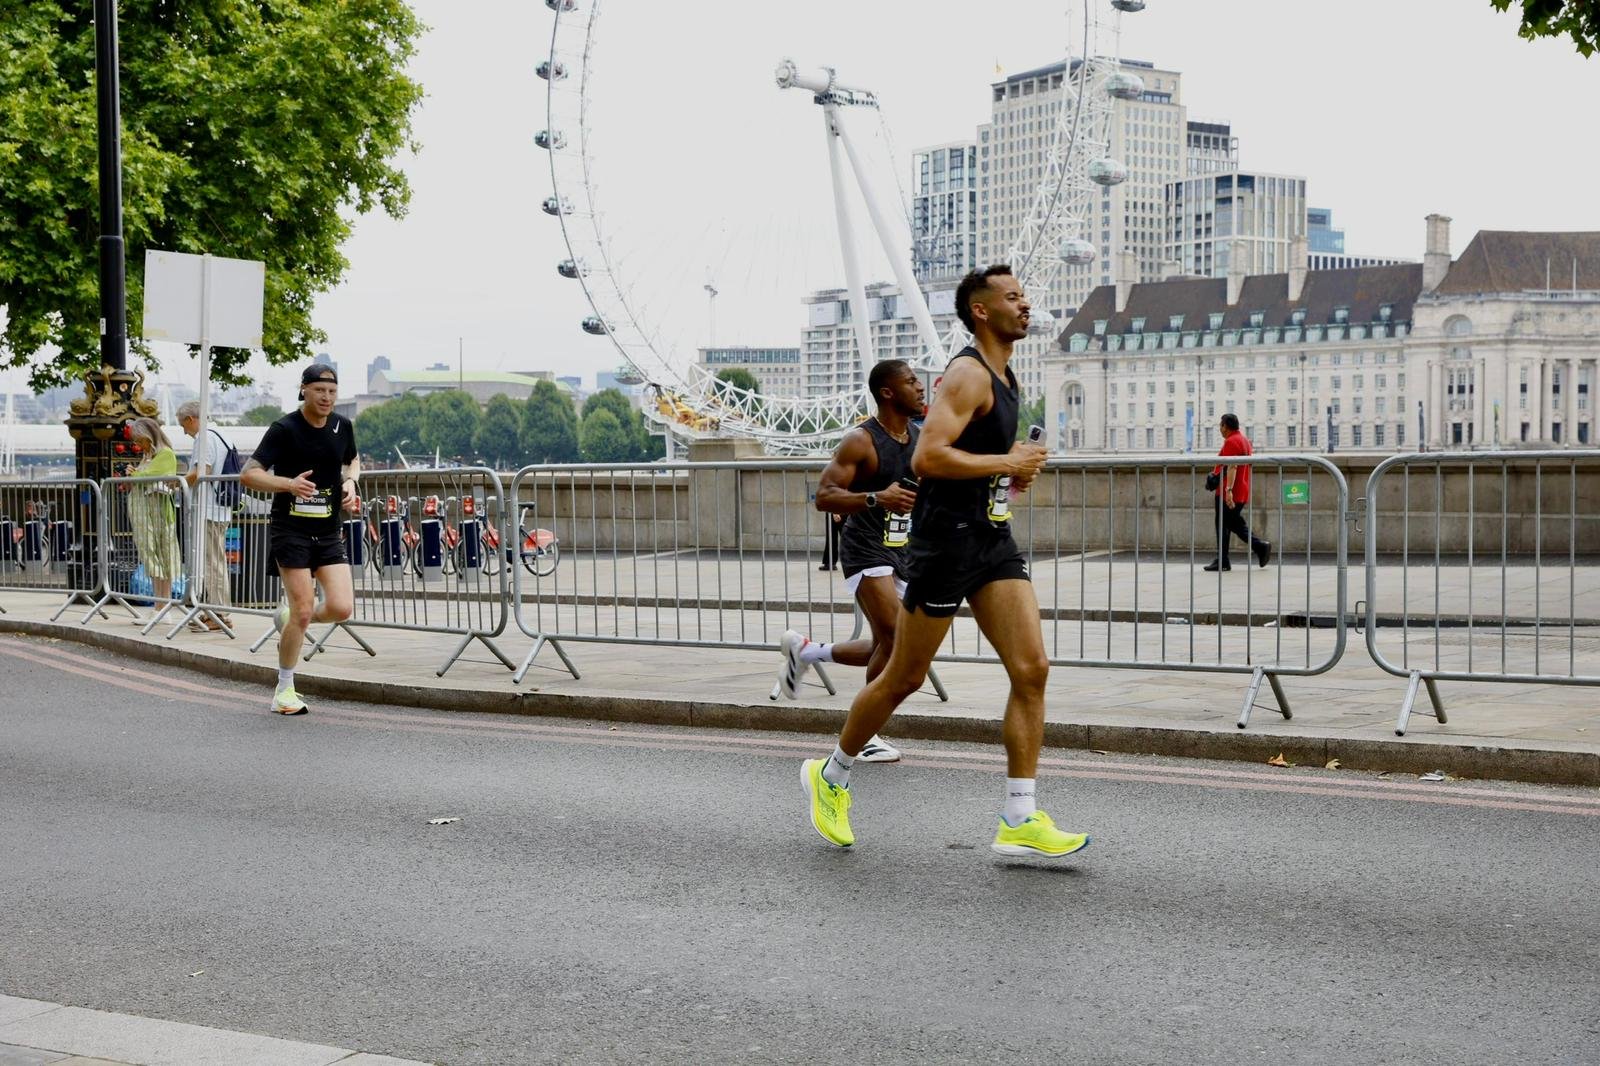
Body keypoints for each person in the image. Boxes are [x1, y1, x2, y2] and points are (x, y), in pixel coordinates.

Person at [800, 265, 1089, 858]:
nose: (1025, 305)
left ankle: (1019, 817)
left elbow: (973, 460)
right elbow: (929, 456)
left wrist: (1010, 475)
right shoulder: (968, 373)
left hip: (991, 540)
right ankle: (831, 774)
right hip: (945, 544)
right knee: (904, 676)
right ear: (981, 311)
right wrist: (1007, 463)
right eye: (1013, 297)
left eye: (1025, 296)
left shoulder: (1006, 375)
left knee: (1032, 668)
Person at [777, 359, 925, 763]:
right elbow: (825, 496)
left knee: (885, 644)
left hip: (903, 549)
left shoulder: (919, 437)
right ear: (887, 392)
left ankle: (806, 652)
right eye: (911, 381)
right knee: (896, 636)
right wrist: (877, 497)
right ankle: (867, 735)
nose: (920, 386)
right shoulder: (861, 440)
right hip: (865, 548)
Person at [240, 364, 360, 715]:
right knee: (304, 610)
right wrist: (289, 484)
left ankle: (289, 618)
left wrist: (350, 482)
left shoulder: (342, 426)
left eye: (332, 392)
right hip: (290, 529)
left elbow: (353, 460)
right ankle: (284, 690)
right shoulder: (284, 429)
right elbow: (249, 474)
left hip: (328, 529)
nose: (326, 398)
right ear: (304, 389)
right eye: (320, 390)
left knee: (341, 608)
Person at [176, 401, 234, 632]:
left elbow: (202, 471)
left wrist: (177, 482)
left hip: (209, 508)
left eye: (183, 425)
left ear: (191, 419)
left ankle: (219, 614)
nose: (184, 431)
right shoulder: (222, 434)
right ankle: (215, 611)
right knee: (214, 561)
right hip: (219, 507)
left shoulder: (205, 437)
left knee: (212, 563)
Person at [124, 417, 183, 619]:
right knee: (153, 556)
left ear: (149, 436)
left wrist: (135, 474)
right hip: (147, 511)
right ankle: (160, 606)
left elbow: (148, 477)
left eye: (140, 440)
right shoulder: (150, 455)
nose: (138, 444)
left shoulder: (165, 454)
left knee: (159, 556)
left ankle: (162, 607)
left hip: (156, 513)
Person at [1206, 413, 1271, 572]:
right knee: (1228, 524)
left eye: (1221, 425)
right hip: (1241, 489)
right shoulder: (1244, 440)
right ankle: (1223, 560)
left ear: (1225, 426)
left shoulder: (1231, 441)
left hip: (1229, 491)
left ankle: (1260, 547)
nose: (1220, 429)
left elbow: (1232, 466)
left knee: (1230, 524)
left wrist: (1228, 490)